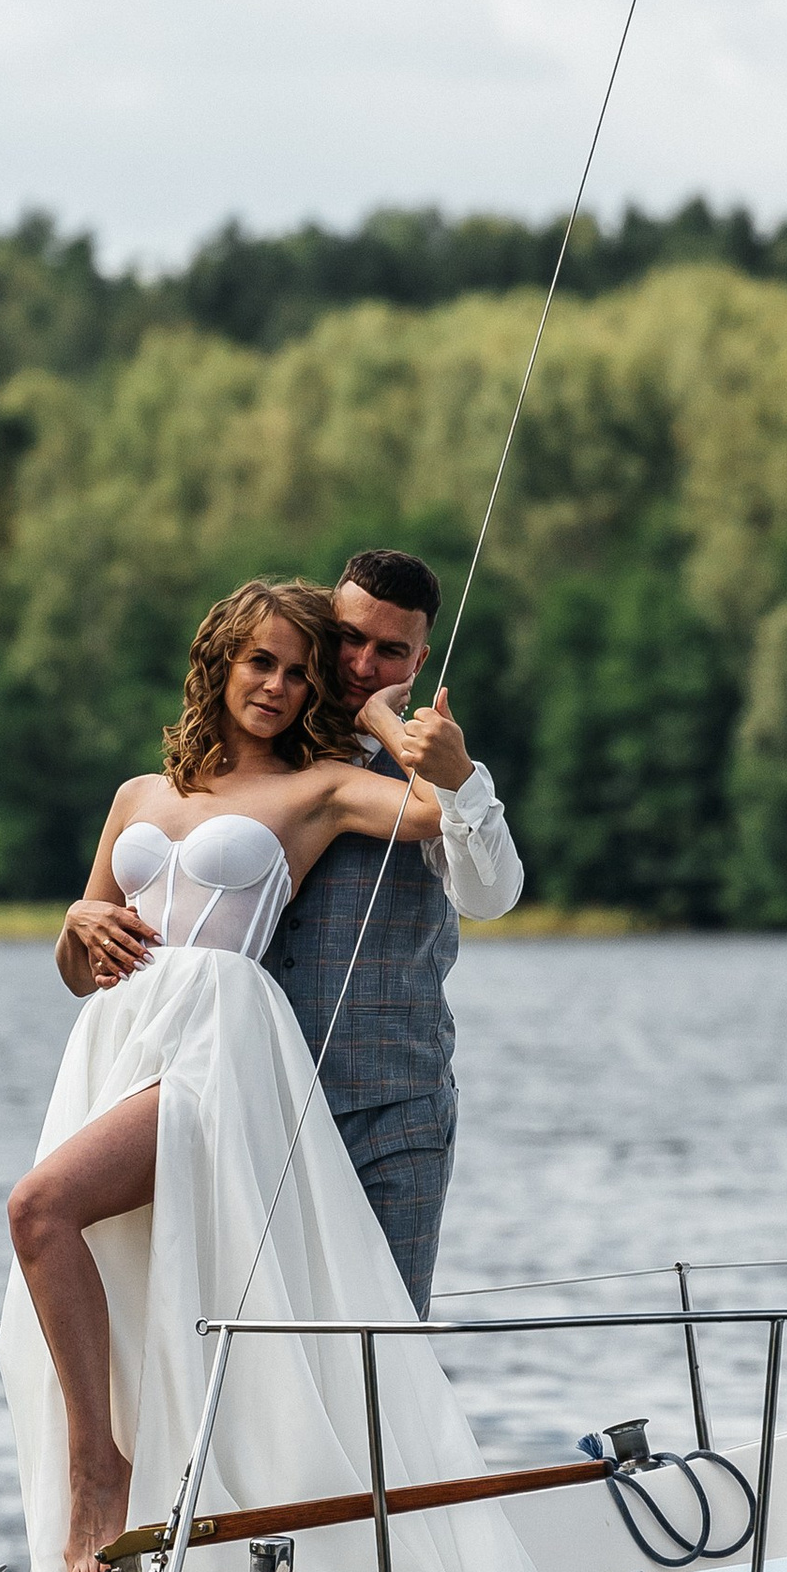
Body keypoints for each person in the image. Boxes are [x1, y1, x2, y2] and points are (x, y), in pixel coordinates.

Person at [0, 576, 536, 1572]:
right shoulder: (135, 797)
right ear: (222, 660)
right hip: (123, 1043)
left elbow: (469, 855)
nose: (297, 680)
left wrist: (401, 728)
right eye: (275, 660)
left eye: (310, 666)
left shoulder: (329, 783)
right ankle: (165, 1517)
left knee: (345, 1349)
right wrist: (76, 918)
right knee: (120, 1262)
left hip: (249, 1055)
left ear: (416, 660)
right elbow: (80, 954)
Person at [263, 547, 524, 1317]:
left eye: (389, 650)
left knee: (383, 1348)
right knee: (266, 1342)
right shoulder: (264, 746)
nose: (361, 663)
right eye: (349, 638)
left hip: (398, 1111)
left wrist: (460, 778)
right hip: (266, 1100)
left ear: (422, 657)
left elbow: (492, 896)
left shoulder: (437, 766)